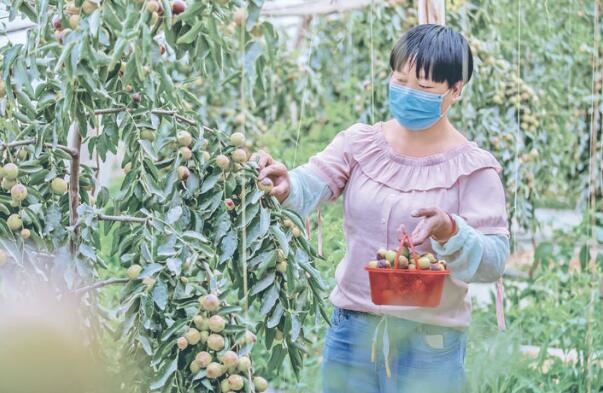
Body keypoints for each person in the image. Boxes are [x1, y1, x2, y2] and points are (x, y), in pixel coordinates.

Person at [251, 24, 510, 393]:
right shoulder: (361, 143)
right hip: (352, 333)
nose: (407, 93)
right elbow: (313, 181)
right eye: (399, 79)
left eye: (423, 88)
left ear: (456, 90)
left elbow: (494, 259)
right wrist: (286, 184)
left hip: (430, 343)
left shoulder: (473, 168)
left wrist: (451, 230)